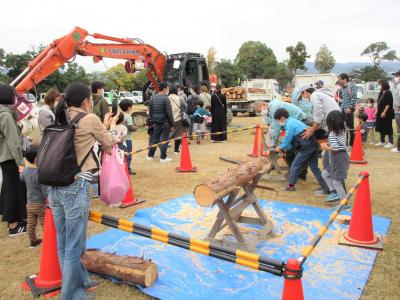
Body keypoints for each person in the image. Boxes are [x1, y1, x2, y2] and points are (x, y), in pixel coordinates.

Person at [48, 82, 118, 299]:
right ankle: (72, 294)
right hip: (75, 185)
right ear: (87, 100)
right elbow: (108, 143)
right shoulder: (89, 118)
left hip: (54, 186)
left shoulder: (59, 115)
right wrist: (112, 128)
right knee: (75, 245)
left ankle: (82, 281)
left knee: (64, 240)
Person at [274, 108, 328, 192]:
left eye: (278, 120)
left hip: (306, 147)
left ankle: (291, 186)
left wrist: (280, 147)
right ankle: (325, 187)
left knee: (295, 166)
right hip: (313, 144)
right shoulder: (293, 120)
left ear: (282, 118)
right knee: (314, 167)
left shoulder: (289, 124)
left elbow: (288, 138)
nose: (279, 123)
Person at [0, 84, 27, 236]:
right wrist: (20, 162)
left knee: (8, 188)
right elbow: (13, 142)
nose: (15, 97)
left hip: (3, 156)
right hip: (10, 157)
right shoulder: (5, 115)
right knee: (13, 190)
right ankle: (13, 226)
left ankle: (15, 219)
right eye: (14, 94)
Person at [19, 145, 47, 248]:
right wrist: (48, 199)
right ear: (36, 159)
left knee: (31, 224)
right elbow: (44, 189)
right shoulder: (39, 173)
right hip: (40, 203)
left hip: (30, 203)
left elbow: (21, 177)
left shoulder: (26, 171)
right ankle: (48, 241)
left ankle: (33, 241)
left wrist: (22, 169)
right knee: (44, 223)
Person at [321, 111, 349, 206]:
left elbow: (336, 148)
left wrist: (326, 147)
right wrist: (329, 144)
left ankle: (344, 204)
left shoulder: (333, 133)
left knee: (336, 181)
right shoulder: (343, 130)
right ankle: (335, 193)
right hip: (339, 157)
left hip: (339, 158)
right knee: (325, 174)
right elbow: (339, 144)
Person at [147, 82, 174, 162]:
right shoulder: (166, 98)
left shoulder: (152, 97)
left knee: (155, 138)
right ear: (165, 89)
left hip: (156, 121)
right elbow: (169, 112)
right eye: (167, 88)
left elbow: (150, 111)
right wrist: (172, 123)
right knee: (165, 139)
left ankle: (150, 155)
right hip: (165, 121)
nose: (168, 89)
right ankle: (163, 157)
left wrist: (153, 119)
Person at [338, 73, 357, 147]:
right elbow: (344, 100)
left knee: (350, 127)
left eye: (340, 79)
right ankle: (344, 144)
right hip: (342, 110)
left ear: (345, 79)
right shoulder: (342, 88)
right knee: (343, 127)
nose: (339, 81)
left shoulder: (351, 86)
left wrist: (350, 107)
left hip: (349, 110)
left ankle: (352, 145)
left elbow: (354, 97)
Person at [375, 80, 395, 148]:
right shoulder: (381, 92)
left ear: (384, 85)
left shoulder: (388, 93)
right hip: (380, 112)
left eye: (380, 84)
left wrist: (384, 112)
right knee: (381, 126)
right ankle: (382, 141)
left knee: (388, 127)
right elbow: (378, 103)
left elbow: (388, 104)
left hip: (387, 113)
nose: (379, 86)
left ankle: (391, 142)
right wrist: (377, 111)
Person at [119, 99, 137, 174]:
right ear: (129, 107)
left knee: (121, 155)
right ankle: (127, 169)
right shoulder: (128, 117)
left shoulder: (119, 115)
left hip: (120, 139)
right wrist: (135, 127)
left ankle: (121, 169)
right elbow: (130, 128)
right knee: (128, 155)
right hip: (128, 139)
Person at [169, 86, 188, 154]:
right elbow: (185, 107)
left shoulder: (167, 98)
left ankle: (163, 145)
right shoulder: (180, 98)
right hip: (178, 118)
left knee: (168, 134)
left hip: (169, 119)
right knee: (178, 135)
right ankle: (176, 150)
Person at [391, 70, 400, 153]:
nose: (395, 78)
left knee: (399, 130)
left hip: (399, 111)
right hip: (397, 111)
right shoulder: (397, 85)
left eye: (397, 76)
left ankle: (398, 147)